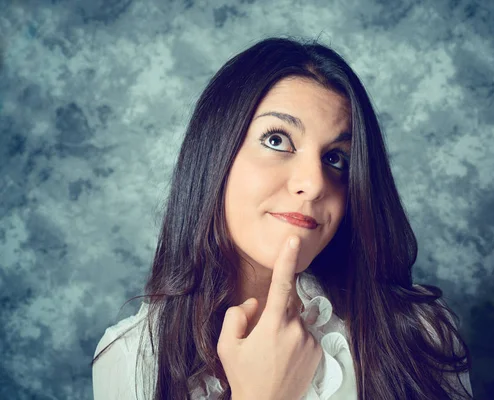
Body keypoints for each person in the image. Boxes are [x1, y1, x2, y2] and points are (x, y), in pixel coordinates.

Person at [91, 36, 473, 400]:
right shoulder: (132, 356)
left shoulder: (420, 333)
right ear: (213, 157)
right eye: (277, 140)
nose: (314, 183)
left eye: (336, 158)